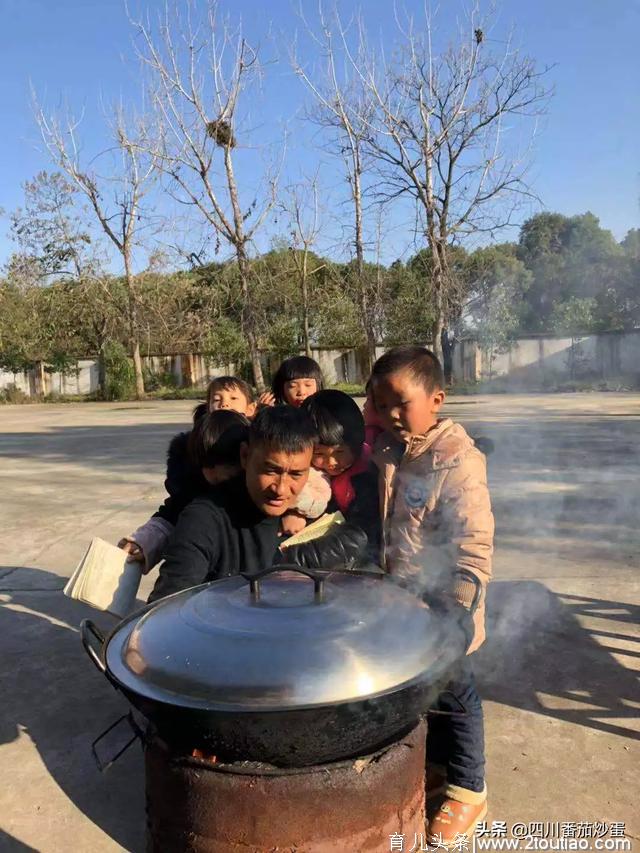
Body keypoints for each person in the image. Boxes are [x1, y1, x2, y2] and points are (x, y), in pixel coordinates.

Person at [369, 345, 494, 844]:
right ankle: (439, 768)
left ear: (437, 398)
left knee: (457, 695)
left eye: (401, 403)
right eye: (381, 404)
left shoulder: (458, 461)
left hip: (446, 611)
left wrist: (458, 611)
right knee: (424, 694)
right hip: (402, 603)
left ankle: (469, 789)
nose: (390, 415)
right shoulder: (390, 451)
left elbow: (473, 547)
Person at [149, 406, 369, 603]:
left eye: (296, 474)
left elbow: (365, 540)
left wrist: (301, 559)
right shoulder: (204, 521)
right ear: (245, 456)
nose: (281, 489)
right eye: (271, 470)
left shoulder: (321, 505)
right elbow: (164, 613)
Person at [119, 410, 250, 572]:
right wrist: (143, 542)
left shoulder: (263, 496)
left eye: (228, 477)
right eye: (209, 470)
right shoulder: (190, 489)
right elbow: (172, 516)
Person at [259, 355, 324, 408]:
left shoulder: (328, 416)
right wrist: (265, 415)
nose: (301, 392)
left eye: (308, 385)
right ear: (282, 389)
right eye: (292, 386)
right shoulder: (276, 418)